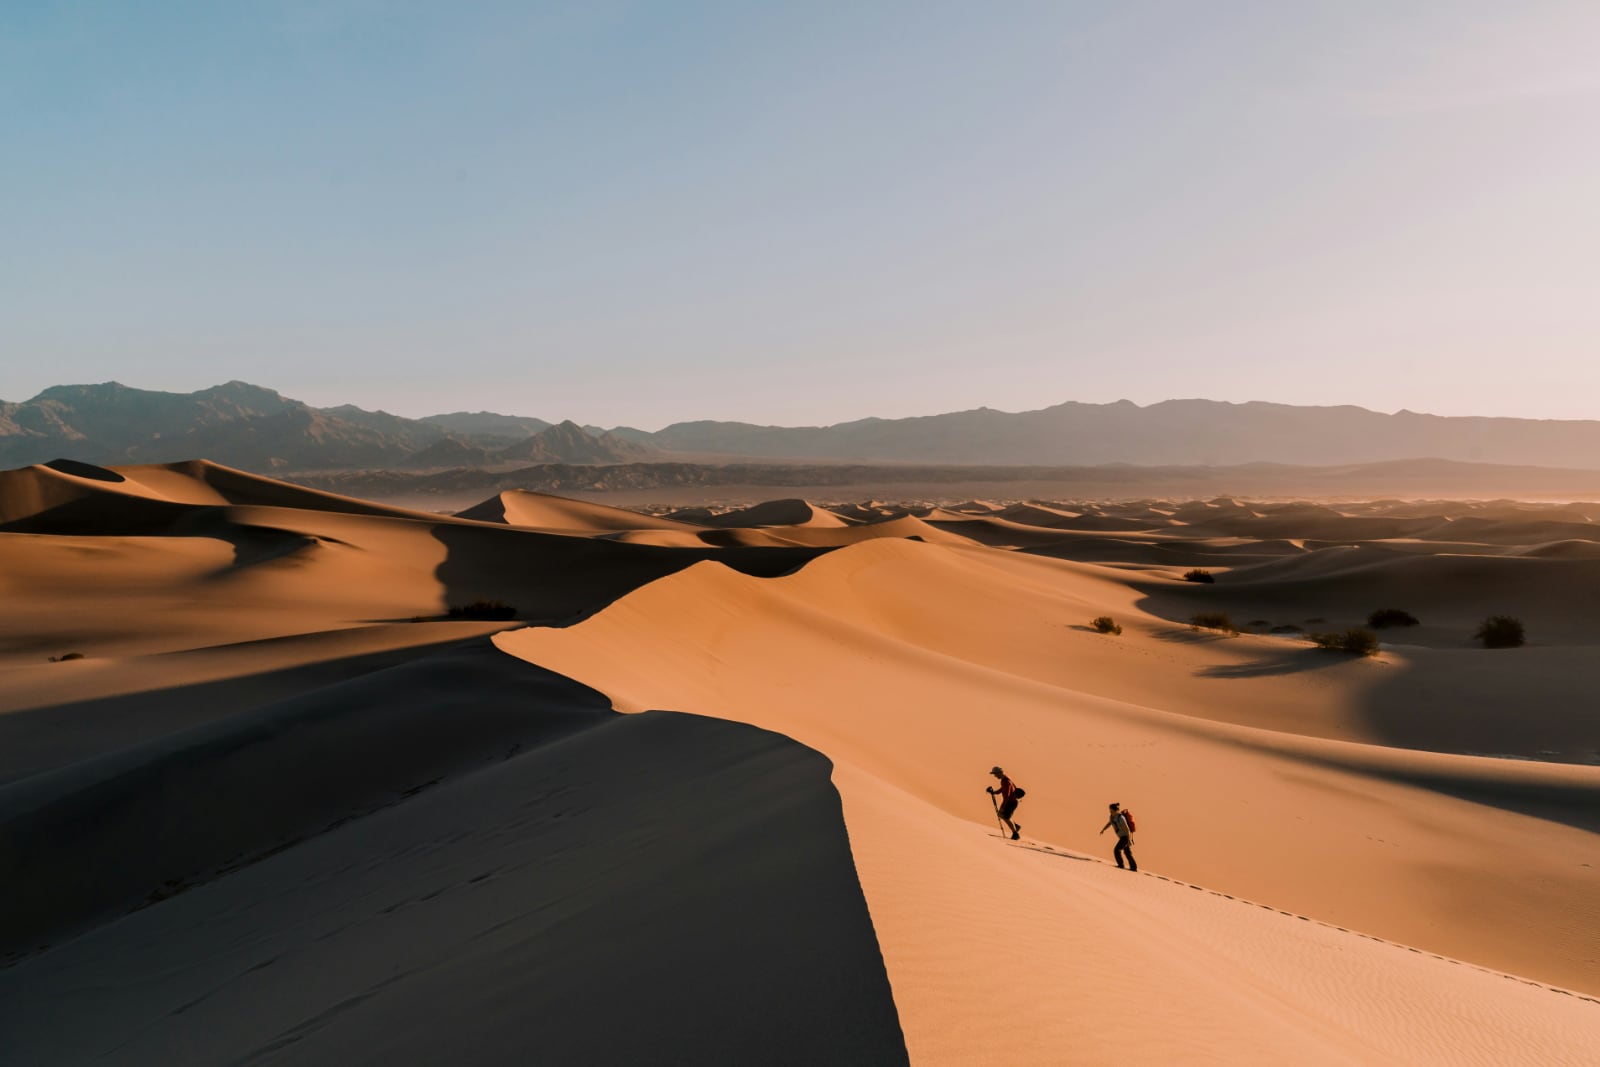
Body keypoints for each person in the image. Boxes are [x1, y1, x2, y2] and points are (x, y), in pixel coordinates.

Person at [987, 766, 1022, 840]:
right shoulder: (1004, 779)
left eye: (995, 774)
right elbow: (1002, 789)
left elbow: (1006, 796)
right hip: (1011, 801)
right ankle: (1015, 826)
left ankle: (1015, 834)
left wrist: (1002, 807)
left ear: (999, 773)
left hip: (1011, 802)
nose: (995, 776)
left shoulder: (1006, 781)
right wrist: (995, 792)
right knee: (1002, 815)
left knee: (1004, 816)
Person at [1099, 802, 1136, 870]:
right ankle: (1133, 867)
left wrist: (1129, 840)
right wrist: (1103, 829)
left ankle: (1121, 865)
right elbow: (1109, 823)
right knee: (1127, 852)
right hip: (1121, 837)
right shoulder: (1112, 817)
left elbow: (1127, 829)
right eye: (1110, 810)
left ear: (1116, 810)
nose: (1110, 812)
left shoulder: (1121, 818)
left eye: (1111, 811)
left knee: (1117, 850)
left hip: (1125, 837)